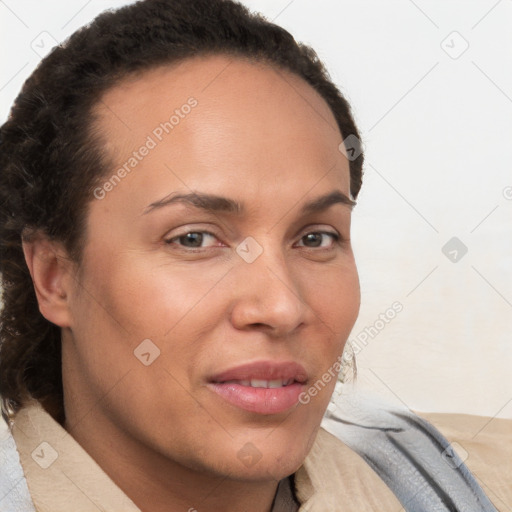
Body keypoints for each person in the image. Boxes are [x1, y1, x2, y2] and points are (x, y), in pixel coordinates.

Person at [0, 1, 508, 511]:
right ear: (54, 276)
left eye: (316, 238)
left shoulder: (480, 483)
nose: (282, 307)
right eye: (194, 239)